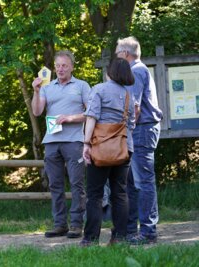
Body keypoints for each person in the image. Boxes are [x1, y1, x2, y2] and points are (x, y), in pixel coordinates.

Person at [31, 50, 90, 238]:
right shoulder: (48, 87)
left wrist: (70, 118)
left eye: (64, 65)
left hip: (74, 141)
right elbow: (37, 111)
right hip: (51, 142)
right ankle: (59, 225)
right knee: (55, 185)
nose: (61, 69)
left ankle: (76, 225)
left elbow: (91, 113)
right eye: (57, 66)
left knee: (76, 184)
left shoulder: (82, 86)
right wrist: (36, 91)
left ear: (72, 66)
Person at [80, 57, 136, 246]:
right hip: (124, 149)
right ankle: (119, 238)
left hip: (100, 149)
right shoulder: (129, 96)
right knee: (120, 193)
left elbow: (92, 118)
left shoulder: (99, 89)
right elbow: (131, 125)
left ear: (110, 72)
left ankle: (90, 239)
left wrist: (86, 143)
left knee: (94, 194)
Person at [115, 36, 163, 245]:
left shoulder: (135, 71)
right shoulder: (140, 70)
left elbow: (133, 108)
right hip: (141, 129)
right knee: (133, 182)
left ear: (125, 54)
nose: (116, 58)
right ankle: (131, 230)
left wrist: (122, 132)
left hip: (141, 130)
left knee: (143, 181)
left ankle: (148, 231)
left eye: (117, 53)